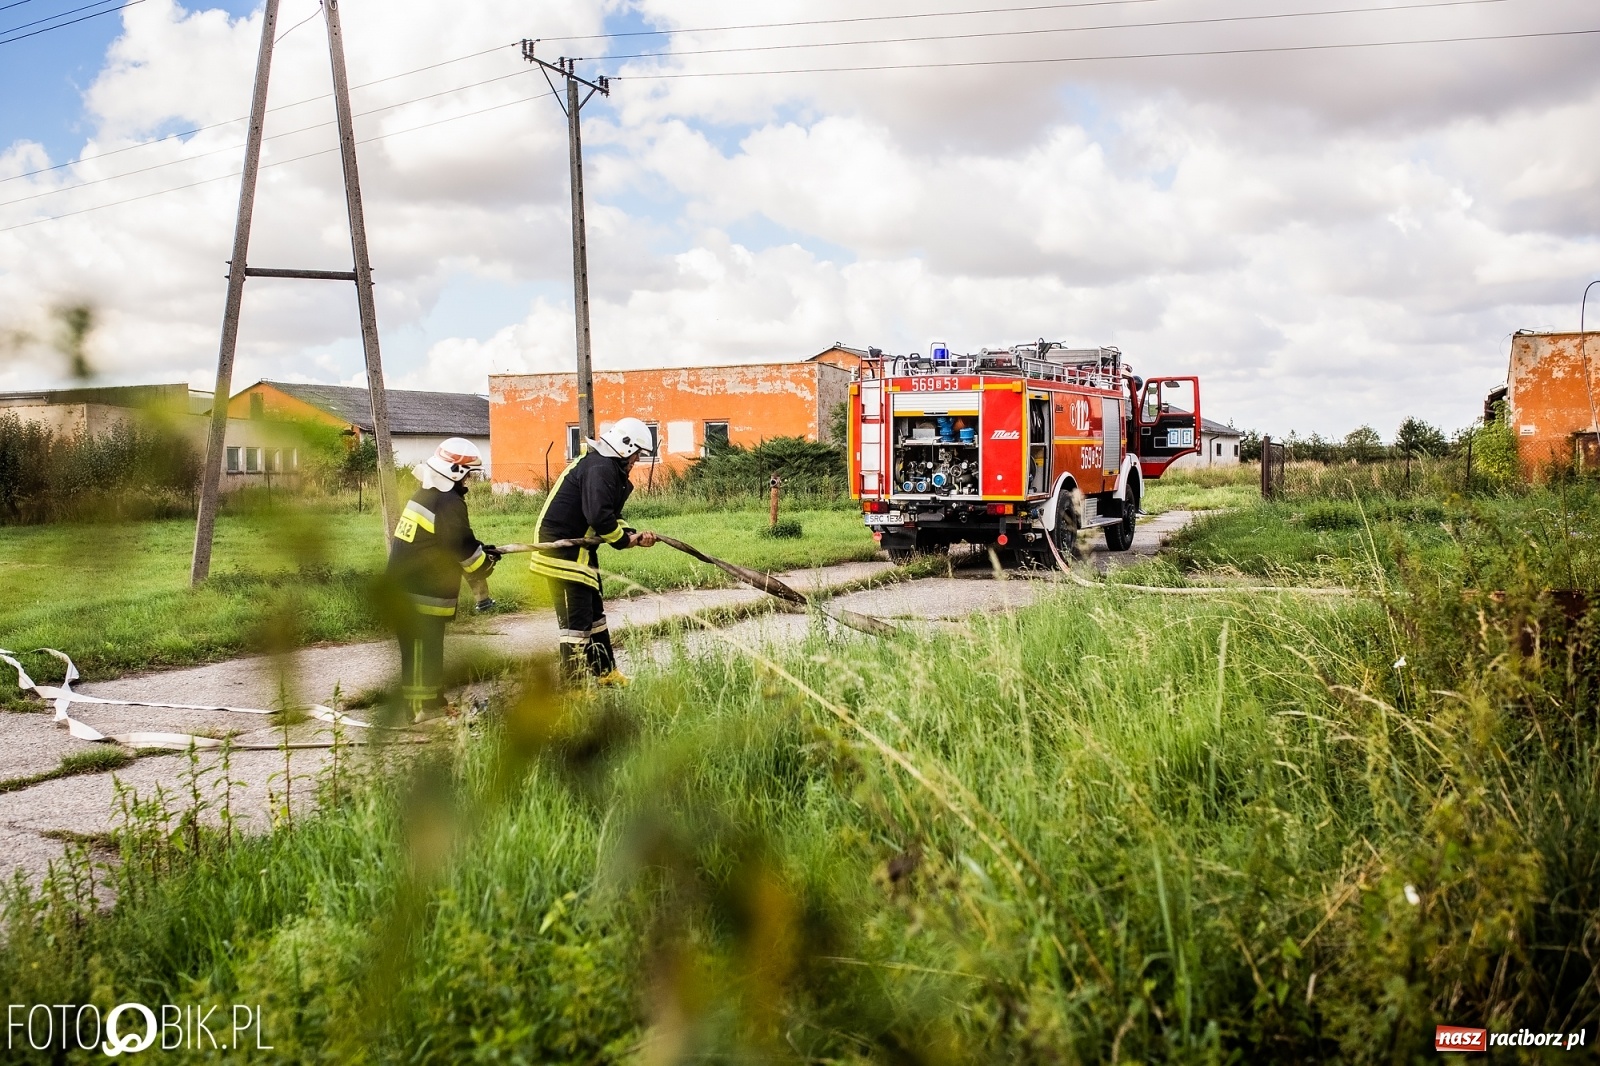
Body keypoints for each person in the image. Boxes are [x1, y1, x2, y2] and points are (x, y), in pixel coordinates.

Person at [531, 417, 659, 685]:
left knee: (595, 616)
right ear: (625, 447)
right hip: (560, 552)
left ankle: (605, 673)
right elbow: (599, 517)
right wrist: (625, 541)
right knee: (575, 625)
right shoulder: (599, 467)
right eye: (637, 454)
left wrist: (632, 534)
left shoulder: (605, 468)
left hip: (581, 551)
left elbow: (611, 515)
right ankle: (575, 687)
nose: (637, 460)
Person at [385, 437, 500, 720]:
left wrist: (480, 549)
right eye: (469, 475)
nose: (469, 483)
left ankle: (431, 704)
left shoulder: (426, 495)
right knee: (422, 651)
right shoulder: (448, 501)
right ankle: (422, 711)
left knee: (423, 651)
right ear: (456, 472)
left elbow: (444, 540)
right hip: (420, 591)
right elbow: (461, 547)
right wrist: (485, 562)